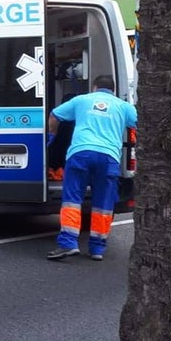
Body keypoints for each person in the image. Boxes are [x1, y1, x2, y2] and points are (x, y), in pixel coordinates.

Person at [46, 75, 137, 261]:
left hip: (81, 154)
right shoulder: (124, 106)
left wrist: (52, 134)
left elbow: (55, 115)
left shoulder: (82, 100)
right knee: (103, 204)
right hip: (109, 158)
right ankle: (97, 249)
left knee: (72, 200)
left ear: (94, 87)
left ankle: (68, 243)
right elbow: (139, 124)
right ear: (113, 90)